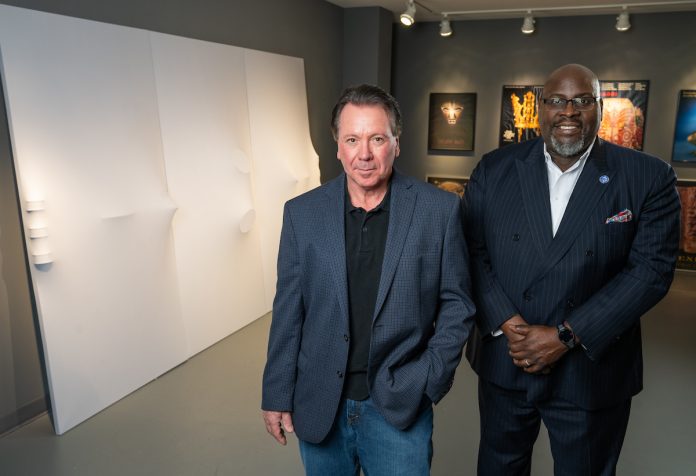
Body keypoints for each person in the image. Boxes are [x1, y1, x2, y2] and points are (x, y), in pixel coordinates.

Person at [464, 64, 680, 476]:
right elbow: (471, 251)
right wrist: (508, 323)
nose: (569, 111)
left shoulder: (647, 177)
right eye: (558, 101)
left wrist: (565, 336)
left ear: (600, 107)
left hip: (590, 369)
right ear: (541, 107)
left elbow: (650, 271)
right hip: (507, 359)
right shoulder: (494, 170)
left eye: (583, 101)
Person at [261, 84, 475, 475]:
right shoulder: (301, 214)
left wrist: (429, 378)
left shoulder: (438, 210)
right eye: (352, 139)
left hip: (398, 403)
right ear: (337, 146)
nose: (364, 154)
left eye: (377, 139)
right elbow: (288, 310)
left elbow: (457, 303)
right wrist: (276, 392)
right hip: (321, 401)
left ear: (396, 142)